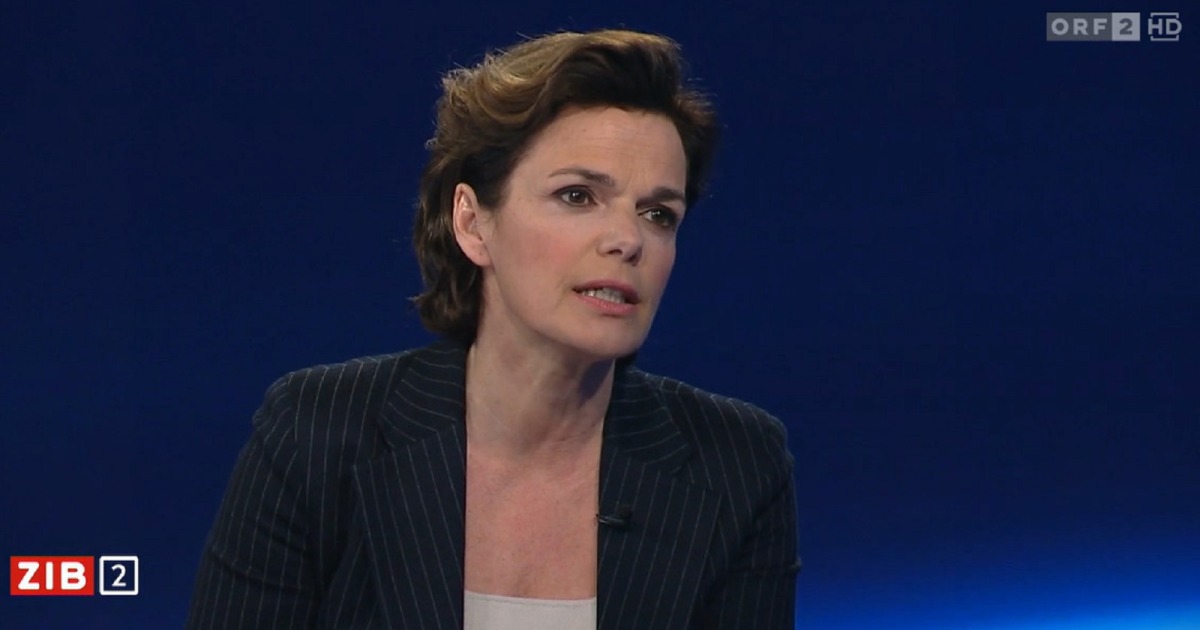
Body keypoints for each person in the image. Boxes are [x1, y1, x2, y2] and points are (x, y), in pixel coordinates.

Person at [186, 28, 799, 629]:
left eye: (658, 214)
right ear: (473, 223)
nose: (627, 239)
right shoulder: (319, 433)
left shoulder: (737, 466)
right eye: (578, 196)